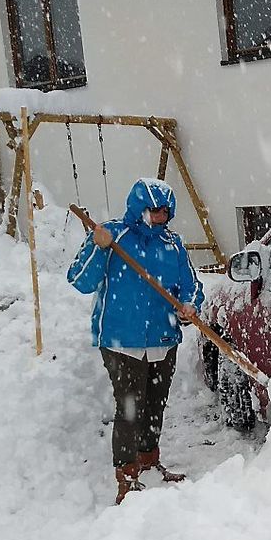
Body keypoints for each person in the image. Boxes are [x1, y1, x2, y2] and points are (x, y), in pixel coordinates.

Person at [67, 178, 205, 504]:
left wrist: (190, 306)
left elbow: (191, 285)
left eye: (165, 211)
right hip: (121, 341)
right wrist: (98, 248)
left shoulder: (172, 244)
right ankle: (126, 478)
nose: (160, 217)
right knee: (130, 409)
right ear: (139, 207)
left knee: (155, 405)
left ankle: (149, 460)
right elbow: (79, 280)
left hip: (162, 338)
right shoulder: (114, 235)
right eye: (154, 210)